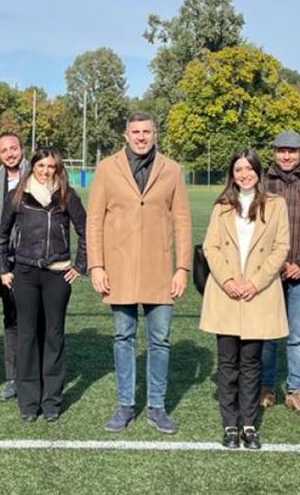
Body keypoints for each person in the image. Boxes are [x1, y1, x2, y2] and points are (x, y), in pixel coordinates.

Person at [87, 111, 192, 434]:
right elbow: (94, 220)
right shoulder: (106, 169)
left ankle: (157, 407)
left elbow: (182, 221)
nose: (141, 137)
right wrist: (96, 265)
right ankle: (125, 404)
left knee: (160, 340)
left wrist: (182, 267)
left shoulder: (172, 170)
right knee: (123, 338)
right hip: (119, 270)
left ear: (156, 133)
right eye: (136, 131)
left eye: (147, 131)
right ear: (126, 134)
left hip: (161, 270)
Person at [199, 149, 290, 450]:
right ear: (232, 173)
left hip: (258, 294)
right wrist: (227, 280)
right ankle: (230, 425)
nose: (244, 174)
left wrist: (255, 281)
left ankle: (248, 424)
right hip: (226, 294)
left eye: (249, 169)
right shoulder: (221, 206)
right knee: (227, 363)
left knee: (251, 363)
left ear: (258, 172)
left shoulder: (276, 205)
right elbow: (210, 247)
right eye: (238, 169)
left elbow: (280, 247)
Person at [0, 148, 87, 422]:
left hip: (57, 276)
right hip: (25, 274)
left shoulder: (67, 196)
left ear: (58, 169)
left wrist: (79, 266)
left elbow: (86, 232)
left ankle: (51, 402)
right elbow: (1, 236)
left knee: (53, 336)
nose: (46, 171)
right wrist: (3, 270)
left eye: (51, 166)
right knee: (27, 337)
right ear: (32, 166)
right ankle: (28, 401)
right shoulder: (18, 197)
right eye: (41, 165)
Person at [259, 129, 300, 415]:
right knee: (267, 333)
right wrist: (270, 264)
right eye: (281, 150)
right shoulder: (261, 182)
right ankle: (265, 386)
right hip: (267, 274)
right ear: (274, 152)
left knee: (298, 334)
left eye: (292, 150)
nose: (286, 156)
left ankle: (296, 389)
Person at [0, 132, 27, 401]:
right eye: (4, 150)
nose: (10, 153)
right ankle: (13, 378)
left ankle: (33, 375)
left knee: (38, 320)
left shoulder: (38, 173)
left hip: (35, 258)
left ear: (22, 149)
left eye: (14, 148)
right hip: (7, 260)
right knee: (11, 319)